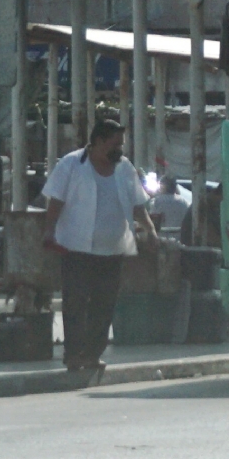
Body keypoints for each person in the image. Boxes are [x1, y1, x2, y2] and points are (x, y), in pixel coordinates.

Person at [42, 118, 159, 373]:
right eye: (115, 144)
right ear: (98, 141)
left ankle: (93, 354)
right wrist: (49, 230)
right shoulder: (71, 165)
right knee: (75, 303)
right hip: (76, 249)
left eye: (122, 145)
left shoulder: (124, 168)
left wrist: (149, 229)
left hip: (113, 249)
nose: (120, 150)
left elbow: (138, 204)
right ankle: (73, 355)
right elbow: (56, 202)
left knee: (104, 305)